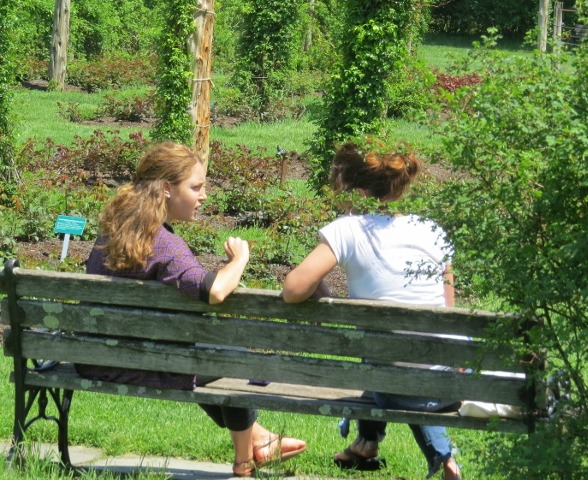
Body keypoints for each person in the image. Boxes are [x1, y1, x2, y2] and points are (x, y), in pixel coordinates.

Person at [76, 142, 306, 477]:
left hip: (94, 359)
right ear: (166, 190)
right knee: (232, 357)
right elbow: (214, 290)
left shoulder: (113, 231)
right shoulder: (166, 244)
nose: (204, 196)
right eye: (195, 187)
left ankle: (258, 438)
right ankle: (245, 461)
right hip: (139, 363)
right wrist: (240, 258)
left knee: (210, 354)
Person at [282, 140, 461, 480]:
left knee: (383, 366)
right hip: (446, 382)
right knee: (399, 361)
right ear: (400, 188)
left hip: (389, 378)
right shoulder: (433, 231)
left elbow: (292, 291)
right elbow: (448, 309)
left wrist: (322, 288)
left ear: (359, 190)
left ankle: (372, 445)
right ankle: (373, 445)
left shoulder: (348, 230)